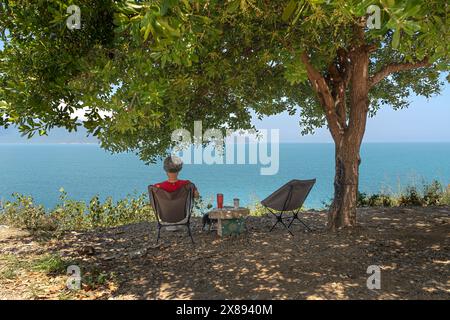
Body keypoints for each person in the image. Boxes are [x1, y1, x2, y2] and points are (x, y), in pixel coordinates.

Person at [154, 156, 199, 231]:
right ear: (179, 169)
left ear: (165, 169)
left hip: (165, 220)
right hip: (183, 219)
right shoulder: (188, 185)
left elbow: (154, 202)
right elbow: (197, 196)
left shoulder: (156, 188)